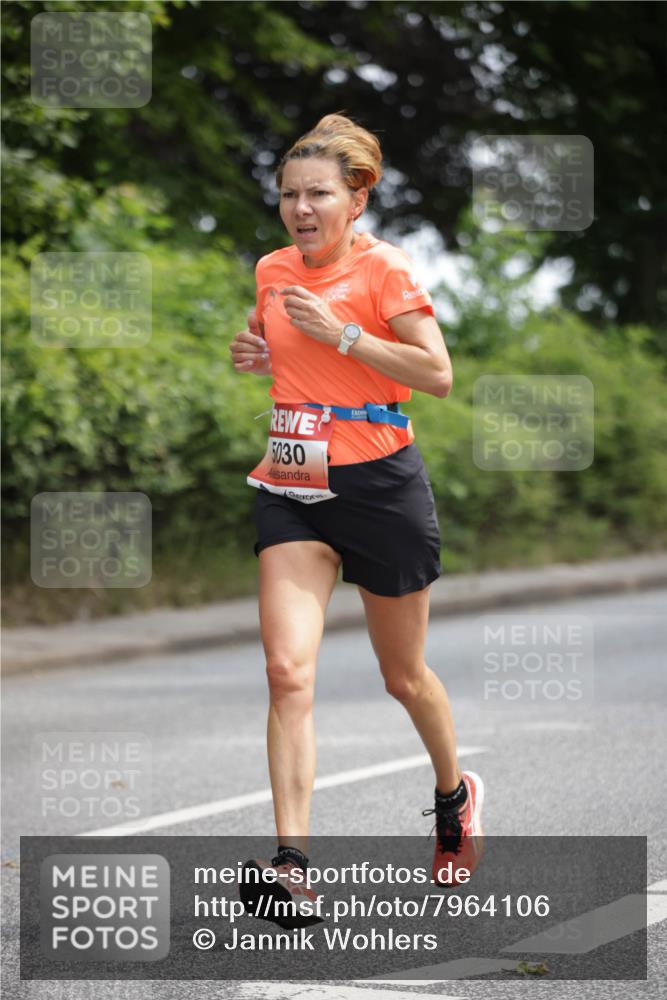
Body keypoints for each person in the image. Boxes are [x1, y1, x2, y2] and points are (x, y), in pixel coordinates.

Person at [229, 113, 483, 923]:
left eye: (318, 195)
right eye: (288, 196)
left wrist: (343, 333)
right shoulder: (271, 268)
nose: (301, 210)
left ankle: (453, 798)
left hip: (380, 486)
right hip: (292, 479)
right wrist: (262, 352)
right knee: (285, 672)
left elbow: (436, 374)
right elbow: (282, 342)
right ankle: (292, 866)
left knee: (401, 677)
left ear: (357, 199)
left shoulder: (386, 273)